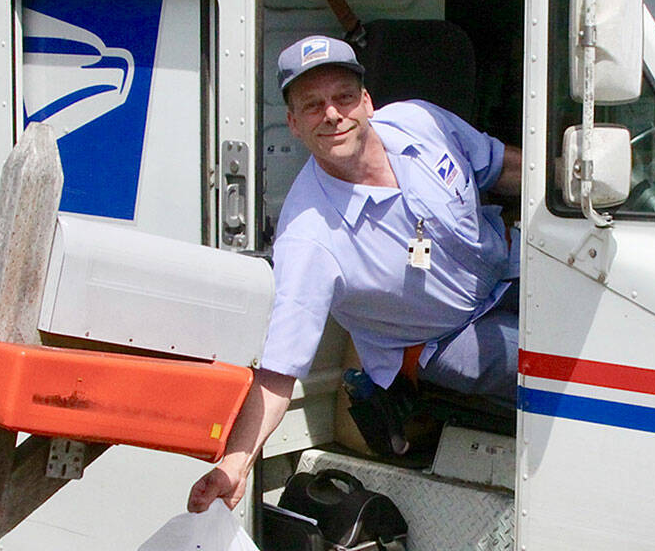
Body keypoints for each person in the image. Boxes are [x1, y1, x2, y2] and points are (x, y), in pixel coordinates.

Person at [188, 34, 522, 513]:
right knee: (564, 367)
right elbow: (279, 373)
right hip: (446, 337)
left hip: (509, 267)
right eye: (312, 105)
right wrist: (235, 463)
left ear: (367, 100)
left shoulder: (418, 122)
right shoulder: (308, 237)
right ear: (293, 124)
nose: (332, 114)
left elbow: (498, 167)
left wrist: (575, 180)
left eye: (344, 97)